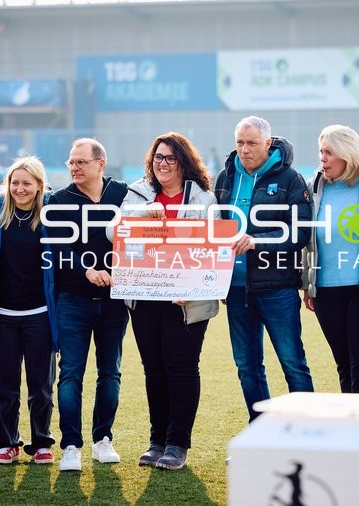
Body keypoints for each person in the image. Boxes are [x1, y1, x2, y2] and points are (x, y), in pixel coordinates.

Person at [119, 132, 219, 470]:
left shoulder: (203, 197)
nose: (163, 164)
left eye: (170, 158)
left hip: (186, 301)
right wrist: (140, 218)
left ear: (183, 162)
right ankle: (157, 440)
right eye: (158, 157)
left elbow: (213, 246)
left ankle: (177, 444)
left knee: (181, 368)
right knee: (153, 369)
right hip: (145, 296)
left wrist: (190, 287)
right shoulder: (137, 193)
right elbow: (111, 233)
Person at [214, 116, 314, 422]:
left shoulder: (290, 179)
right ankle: (262, 431)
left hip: (277, 288)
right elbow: (215, 229)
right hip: (235, 289)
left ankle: (310, 433)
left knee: (292, 362)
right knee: (247, 366)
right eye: (240, 143)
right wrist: (216, 277)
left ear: (268, 144)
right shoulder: (225, 177)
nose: (244, 150)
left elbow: (299, 233)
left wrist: (257, 241)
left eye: (252, 143)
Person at [45, 137, 129, 471]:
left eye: (81, 162)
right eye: (71, 162)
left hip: (115, 302)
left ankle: (102, 439)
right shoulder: (58, 200)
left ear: (100, 163)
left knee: (110, 372)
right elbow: (53, 248)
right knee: (70, 374)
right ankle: (70, 445)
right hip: (73, 300)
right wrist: (85, 269)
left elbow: (145, 233)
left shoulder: (124, 195)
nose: (75, 168)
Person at [0, 156, 57, 465]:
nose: (20, 189)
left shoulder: (53, 216)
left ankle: (41, 441)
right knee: (5, 385)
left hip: (39, 314)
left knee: (41, 385)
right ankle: (7, 442)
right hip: (3, 315)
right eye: (15, 183)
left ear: (39, 185)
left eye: (27, 183)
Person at [302, 125, 359, 394]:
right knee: (343, 364)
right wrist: (308, 283)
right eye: (320, 152)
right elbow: (309, 238)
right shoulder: (315, 184)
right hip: (325, 289)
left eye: (329, 152)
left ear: (347, 154)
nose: (322, 158)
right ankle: (352, 430)